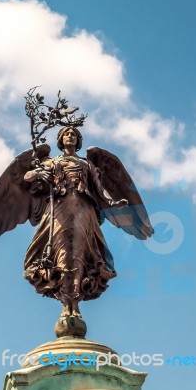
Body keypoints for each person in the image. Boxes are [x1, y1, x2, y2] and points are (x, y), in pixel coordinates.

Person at [23, 126, 127, 318]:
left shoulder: (86, 164)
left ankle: (75, 301)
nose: (70, 136)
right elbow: (27, 176)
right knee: (61, 251)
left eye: (73, 134)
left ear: (78, 141)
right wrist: (38, 174)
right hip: (60, 209)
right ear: (61, 140)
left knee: (79, 251)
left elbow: (99, 188)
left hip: (83, 209)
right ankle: (66, 302)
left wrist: (112, 201)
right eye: (66, 134)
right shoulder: (52, 162)